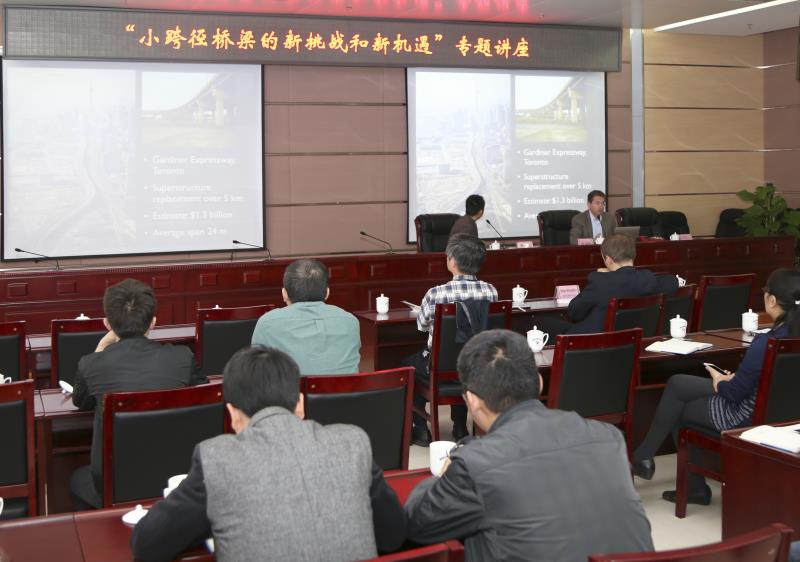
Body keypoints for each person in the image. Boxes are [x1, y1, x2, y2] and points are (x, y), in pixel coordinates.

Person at [130, 346, 406, 562]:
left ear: (232, 414)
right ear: (300, 404)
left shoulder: (217, 458)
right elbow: (394, 535)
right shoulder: (353, 442)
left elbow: (148, 544)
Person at [405, 329, 654, 561]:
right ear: (539, 382)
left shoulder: (476, 464)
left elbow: (416, 523)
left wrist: (447, 471)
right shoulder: (609, 438)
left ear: (472, 401)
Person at [632, 268, 800, 506]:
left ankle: (687, 484)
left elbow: (734, 395)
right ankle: (646, 457)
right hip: (786, 416)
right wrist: (735, 378)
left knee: (679, 407)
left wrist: (720, 380)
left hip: (745, 415)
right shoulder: (784, 339)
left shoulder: (767, 342)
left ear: (772, 300)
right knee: (677, 384)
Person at [70, 278, 207, 509]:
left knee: (77, 479)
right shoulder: (182, 358)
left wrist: (100, 350)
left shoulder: (91, 364)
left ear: (107, 323)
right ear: (153, 322)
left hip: (114, 484)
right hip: (177, 477)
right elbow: (203, 396)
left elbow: (80, 400)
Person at [405, 233, 498, 446]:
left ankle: (421, 429)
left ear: (453, 262)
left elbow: (421, 326)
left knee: (410, 365)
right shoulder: (490, 291)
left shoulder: (436, 294)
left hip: (441, 366)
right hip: (477, 364)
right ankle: (459, 427)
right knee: (461, 356)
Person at [536, 234, 678, 338]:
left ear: (608, 260)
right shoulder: (647, 279)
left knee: (540, 322)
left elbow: (574, 312)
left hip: (590, 341)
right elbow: (673, 282)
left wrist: (606, 275)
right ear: (633, 256)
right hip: (632, 339)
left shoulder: (601, 281)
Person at [251, 258, 360, 375]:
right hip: (343, 387)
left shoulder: (267, 323)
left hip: (290, 387)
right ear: (327, 292)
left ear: (284, 294)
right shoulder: (350, 321)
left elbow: (257, 371)